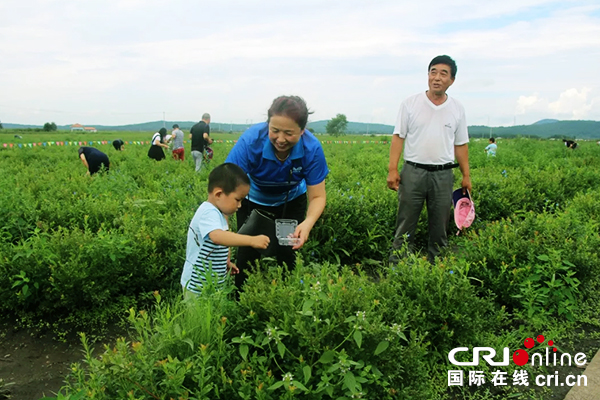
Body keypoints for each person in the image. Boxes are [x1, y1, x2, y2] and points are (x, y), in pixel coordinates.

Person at [225, 95, 329, 290]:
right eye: (275, 131)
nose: (281, 139)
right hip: (251, 201)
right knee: (247, 253)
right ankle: (241, 301)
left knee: (288, 253)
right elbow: (227, 190)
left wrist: (307, 224)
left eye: (289, 133)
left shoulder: (311, 148)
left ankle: (286, 297)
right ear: (267, 125)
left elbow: (317, 196)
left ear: (302, 130)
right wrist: (225, 237)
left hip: (291, 201)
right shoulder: (251, 142)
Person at [387, 55, 471, 263]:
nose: (437, 77)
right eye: (433, 72)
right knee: (405, 223)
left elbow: (460, 145)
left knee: (440, 226)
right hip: (413, 172)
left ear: (451, 80)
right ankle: (398, 269)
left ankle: (437, 269)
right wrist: (392, 169)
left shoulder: (457, 109)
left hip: (443, 175)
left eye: (444, 74)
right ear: (427, 76)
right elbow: (399, 137)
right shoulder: (410, 104)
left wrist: (466, 175)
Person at [180, 163, 270, 296]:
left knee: (213, 314)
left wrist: (225, 262)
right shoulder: (208, 212)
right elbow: (217, 237)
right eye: (238, 200)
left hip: (210, 284)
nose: (240, 205)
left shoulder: (219, 213)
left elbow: (221, 240)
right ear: (219, 194)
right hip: (196, 286)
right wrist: (251, 240)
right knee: (200, 317)